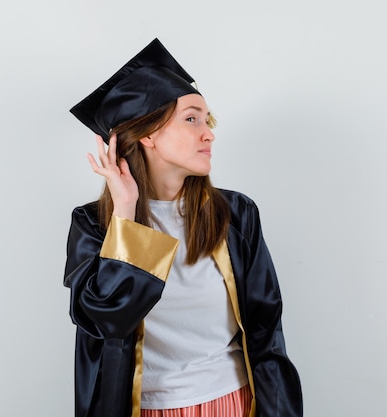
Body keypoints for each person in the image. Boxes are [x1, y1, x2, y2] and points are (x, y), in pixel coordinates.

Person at [64, 38, 303, 417]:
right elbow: (106, 319)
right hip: (145, 407)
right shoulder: (94, 225)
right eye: (191, 118)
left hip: (236, 401)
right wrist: (125, 213)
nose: (208, 132)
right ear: (148, 134)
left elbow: (265, 326)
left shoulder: (235, 213)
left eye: (207, 120)